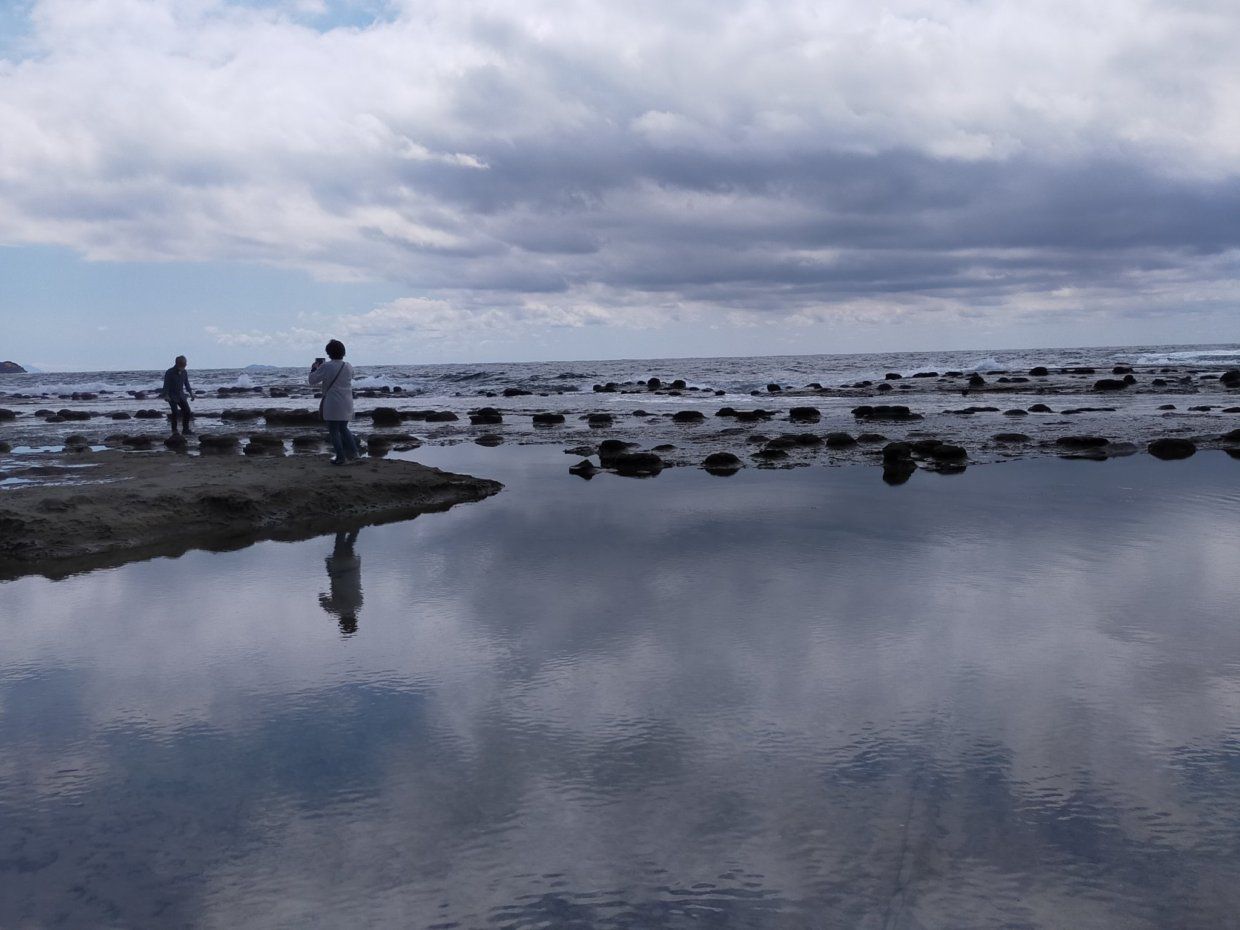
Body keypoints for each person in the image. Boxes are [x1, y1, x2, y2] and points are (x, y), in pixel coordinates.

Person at [309, 339, 361, 465]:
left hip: (332, 402)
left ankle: (341, 457)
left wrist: (314, 369)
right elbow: (350, 377)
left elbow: (312, 380)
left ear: (329, 353)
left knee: (333, 430)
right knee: (344, 428)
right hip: (347, 401)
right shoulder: (348, 366)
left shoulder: (326, 366)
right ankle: (355, 454)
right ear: (343, 352)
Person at [319, 529, 363, 635]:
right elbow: (321, 598)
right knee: (339, 540)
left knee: (349, 545)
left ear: (355, 618)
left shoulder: (359, 604)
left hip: (352, 567)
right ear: (341, 621)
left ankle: (356, 526)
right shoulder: (336, 609)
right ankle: (343, 523)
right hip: (339, 569)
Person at [162, 355, 194, 436]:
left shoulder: (184, 372)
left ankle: (185, 429)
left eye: (185, 364)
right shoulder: (169, 372)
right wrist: (166, 395)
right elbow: (166, 385)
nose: (185, 366)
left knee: (187, 411)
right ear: (177, 363)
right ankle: (174, 430)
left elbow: (187, 384)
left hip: (181, 395)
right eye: (183, 364)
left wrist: (191, 393)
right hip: (171, 396)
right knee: (175, 412)